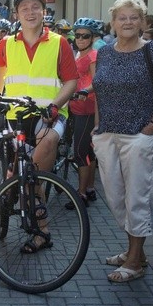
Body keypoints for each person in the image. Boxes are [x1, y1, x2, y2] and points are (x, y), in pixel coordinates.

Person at [91, 0, 153, 283]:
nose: (128, 22)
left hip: (139, 136)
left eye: (134, 17)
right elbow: (99, 91)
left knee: (137, 199)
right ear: (113, 23)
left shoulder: (152, 51)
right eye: (122, 17)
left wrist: (152, 127)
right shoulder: (104, 53)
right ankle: (135, 252)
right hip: (107, 135)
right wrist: (96, 128)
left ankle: (134, 261)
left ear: (142, 22)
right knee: (116, 198)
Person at [0, 0, 78, 253]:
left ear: (44, 11)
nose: (30, 12)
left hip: (48, 115)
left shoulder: (58, 43)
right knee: (22, 171)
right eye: (24, 7)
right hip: (16, 116)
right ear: (16, 13)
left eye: (35, 7)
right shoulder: (6, 43)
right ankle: (9, 189)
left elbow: (71, 81)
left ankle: (42, 232)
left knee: (36, 171)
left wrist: (55, 105)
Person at [66, 18, 99, 209]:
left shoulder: (93, 56)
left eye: (85, 36)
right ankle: (91, 188)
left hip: (86, 108)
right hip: (75, 107)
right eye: (77, 35)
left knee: (80, 151)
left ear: (92, 37)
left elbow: (96, 82)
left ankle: (81, 195)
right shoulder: (77, 54)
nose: (80, 39)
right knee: (89, 152)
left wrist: (85, 90)